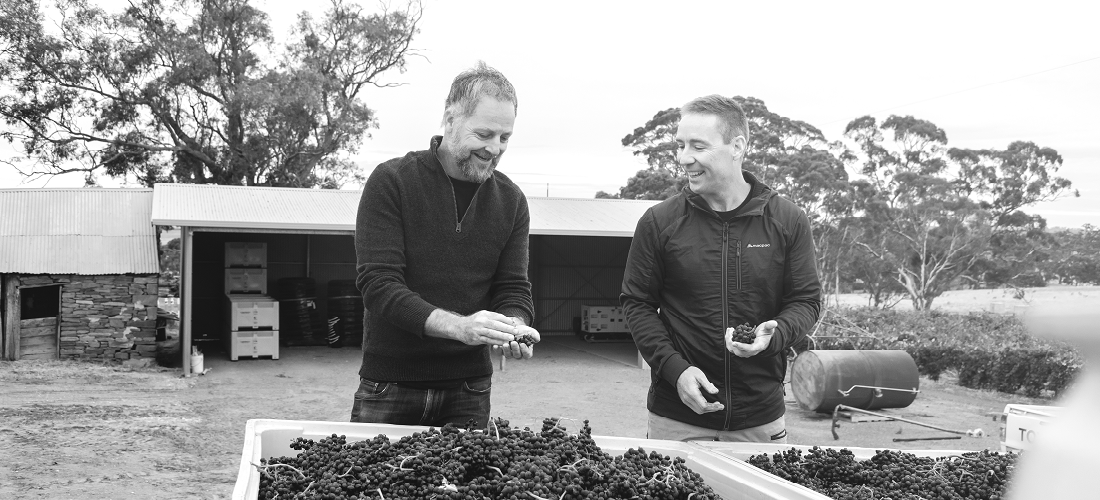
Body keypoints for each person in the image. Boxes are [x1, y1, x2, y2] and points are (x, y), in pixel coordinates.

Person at [621, 94, 821, 443]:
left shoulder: (787, 220)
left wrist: (775, 336)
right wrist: (675, 370)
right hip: (676, 420)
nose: (684, 158)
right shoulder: (660, 222)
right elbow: (636, 304)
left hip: (760, 421)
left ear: (737, 146)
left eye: (698, 146)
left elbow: (806, 301)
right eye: (680, 145)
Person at [351, 61, 540, 429]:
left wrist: (514, 324)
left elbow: (513, 287)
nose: (494, 148)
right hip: (389, 385)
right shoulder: (392, 181)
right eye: (484, 134)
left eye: (505, 138)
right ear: (450, 118)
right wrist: (461, 328)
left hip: (469, 388)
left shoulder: (511, 200)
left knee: (465, 488)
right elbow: (380, 286)